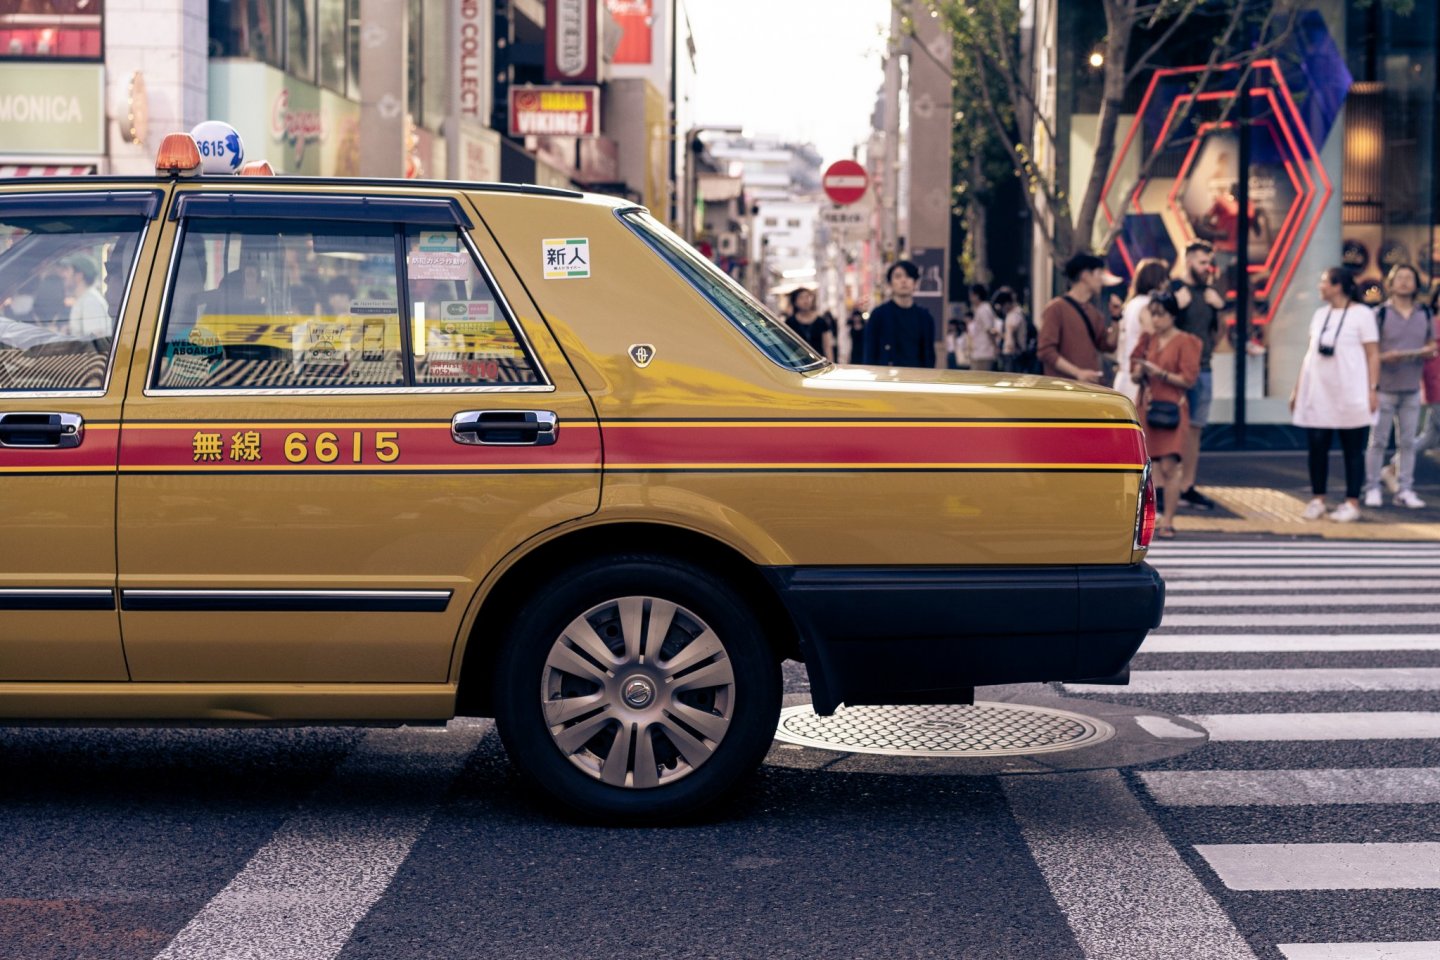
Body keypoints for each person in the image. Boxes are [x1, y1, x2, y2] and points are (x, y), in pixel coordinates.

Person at [1291, 267, 1381, 523]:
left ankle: (1352, 502)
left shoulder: (1363, 314)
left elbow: (1372, 353)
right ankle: (1318, 499)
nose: (1320, 287)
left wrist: (1373, 389)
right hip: (1319, 392)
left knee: (1353, 449)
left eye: (1324, 282)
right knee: (1316, 448)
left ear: (1338, 285)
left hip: (1351, 392)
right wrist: (1297, 389)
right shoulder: (1320, 314)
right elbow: (1310, 355)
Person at [1363, 263, 1436, 509]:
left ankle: (1405, 489)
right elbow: (1368, 353)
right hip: (1384, 387)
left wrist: (1427, 352)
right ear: (1390, 284)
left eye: (1409, 278)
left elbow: (1431, 345)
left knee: (1407, 442)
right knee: (1378, 441)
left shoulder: (1424, 314)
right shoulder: (1379, 314)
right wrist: (1386, 358)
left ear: (1417, 284)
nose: (1404, 282)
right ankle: (1372, 487)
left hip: (1411, 388)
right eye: (1400, 278)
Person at [1130, 294, 1201, 539]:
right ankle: (1147, 519)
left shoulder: (1186, 341)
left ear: (1172, 315)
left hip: (1172, 407)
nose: (1156, 319)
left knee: (1171, 466)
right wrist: (1141, 372)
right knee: (1146, 467)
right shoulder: (1146, 339)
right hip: (1148, 407)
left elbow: (1188, 379)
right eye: (1153, 313)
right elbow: (1133, 372)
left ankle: (1168, 519)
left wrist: (1159, 373)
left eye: (1160, 314)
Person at [1170, 240, 1225, 510]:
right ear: (1189, 261)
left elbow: (1219, 334)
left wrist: (1220, 308)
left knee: (1195, 430)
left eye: (1209, 263)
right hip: (1175, 373)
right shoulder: (1174, 290)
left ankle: (1187, 486)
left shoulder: (1210, 295)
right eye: (1202, 262)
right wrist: (1175, 307)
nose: (1207, 268)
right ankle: (1164, 485)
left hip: (1203, 369)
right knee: (1169, 427)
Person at [1037, 252, 1117, 382]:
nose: (1101, 280)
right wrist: (1078, 373)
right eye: (1099, 273)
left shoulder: (1094, 312)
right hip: (1063, 390)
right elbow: (1045, 351)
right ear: (1085, 275)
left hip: (1089, 389)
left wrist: (1116, 318)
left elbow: (1107, 345)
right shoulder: (1056, 308)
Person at [1112, 258, 1172, 407]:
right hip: (1136, 378)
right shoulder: (1147, 306)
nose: (1167, 284)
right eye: (1165, 279)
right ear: (1158, 281)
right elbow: (1152, 338)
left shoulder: (1131, 303)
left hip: (1124, 375)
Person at [863, 260, 936, 368]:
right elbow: (869, 354)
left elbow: (929, 356)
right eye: (898, 277)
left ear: (915, 283)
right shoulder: (879, 315)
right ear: (890, 284)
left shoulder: (925, 317)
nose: (903, 280)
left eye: (908, 276)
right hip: (886, 380)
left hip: (917, 379)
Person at [61, 254, 109, 338]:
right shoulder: (85, 299)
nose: (63, 275)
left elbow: (95, 341)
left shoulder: (90, 302)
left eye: (67, 270)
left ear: (79, 275)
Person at [784, 287, 836, 361]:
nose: (806, 301)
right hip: (798, 362)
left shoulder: (821, 321)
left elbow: (827, 346)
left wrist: (831, 361)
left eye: (808, 297)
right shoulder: (790, 322)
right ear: (795, 302)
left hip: (819, 362)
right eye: (801, 298)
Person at [995, 287, 1033, 373]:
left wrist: (1010, 349)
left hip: (1013, 354)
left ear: (1007, 303)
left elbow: (1012, 334)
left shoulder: (1013, 315)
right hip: (1016, 353)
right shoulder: (1017, 313)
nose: (1002, 309)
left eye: (1002, 306)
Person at [966, 283, 1001, 371]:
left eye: (971, 295)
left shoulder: (984, 309)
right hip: (979, 352)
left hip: (984, 353)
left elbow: (989, 330)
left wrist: (995, 347)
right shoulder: (980, 309)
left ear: (977, 296)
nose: (970, 298)